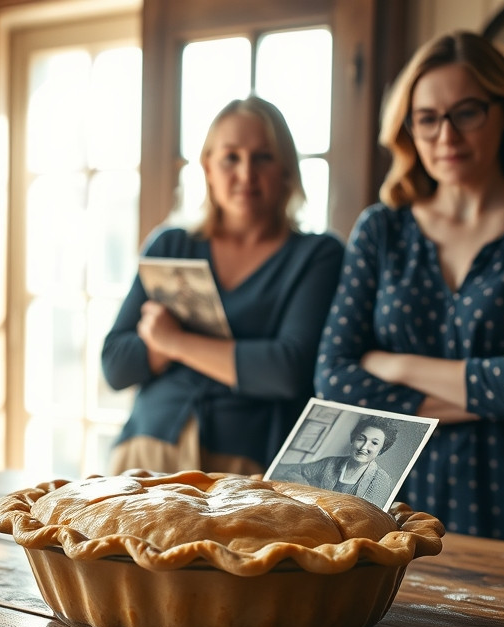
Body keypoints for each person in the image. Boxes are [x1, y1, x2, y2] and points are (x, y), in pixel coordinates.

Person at [316, 31, 504, 549]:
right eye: (427, 118)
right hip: (394, 498)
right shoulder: (381, 229)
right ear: (409, 128)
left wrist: (391, 364)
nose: (446, 135)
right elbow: (333, 377)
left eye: (466, 113)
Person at [101, 96, 346, 476]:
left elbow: (287, 371)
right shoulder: (170, 245)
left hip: (249, 466)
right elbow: (116, 365)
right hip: (146, 452)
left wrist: (173, 342)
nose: (246, 174)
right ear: (208, 167)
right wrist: (227, 357)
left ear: (286, 169)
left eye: (263, 157)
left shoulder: (318, 254)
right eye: (231, 157)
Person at [269, 416, 398, 506]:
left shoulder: (381, 480)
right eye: (361, 439)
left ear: (381, 450)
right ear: (353, 440)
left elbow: (370, 517)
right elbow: (294, 471)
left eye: (374, 443)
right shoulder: (330, 463)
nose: (364, 447)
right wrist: (309, 490)